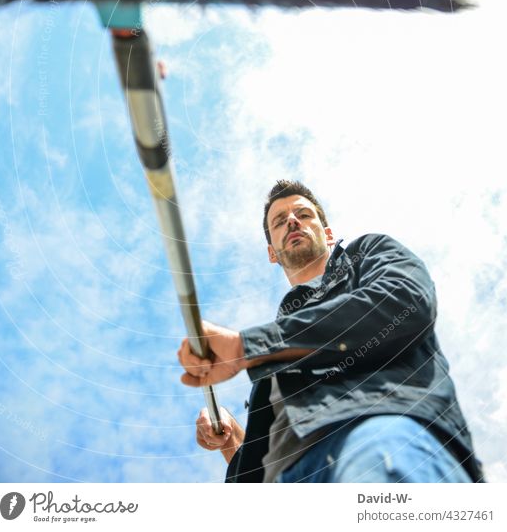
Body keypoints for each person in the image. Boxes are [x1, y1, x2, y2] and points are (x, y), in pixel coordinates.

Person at [177, 179, 484, 483]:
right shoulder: (276, 350)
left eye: (304, 214)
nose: (293, 221)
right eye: (280, 221)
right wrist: (231, 441)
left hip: (376, 436)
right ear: (272, 252)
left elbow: (403, 302)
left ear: (327, 233)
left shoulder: (368, 253)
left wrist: (248, 348)